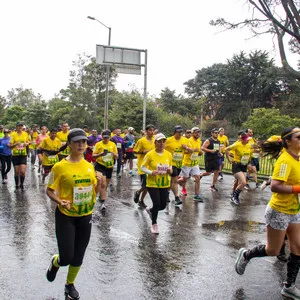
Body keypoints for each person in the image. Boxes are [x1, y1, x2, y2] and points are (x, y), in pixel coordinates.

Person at [234, 126, 300, 299]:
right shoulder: (285, 160)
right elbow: (275, 186)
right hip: (279, 211)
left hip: (294, 210)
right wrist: (298, 188)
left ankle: (289, 286)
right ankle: (246, 254)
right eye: (299, 137)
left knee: (298, 247)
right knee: (273, 250)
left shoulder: (297, 158)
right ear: (288, 141)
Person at [46, 128, 102, 300]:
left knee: (78, 255)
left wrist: (100, 183)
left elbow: (94, 193)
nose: (81, 145)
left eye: (83, 141)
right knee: (67, 257)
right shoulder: (60, 166)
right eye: (77, 141)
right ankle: (56, 261)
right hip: (66, 216)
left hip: (86, 216)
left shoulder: (89, 166)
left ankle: (69, 284)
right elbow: (49, 190)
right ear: (69, 144)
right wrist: (59, 201)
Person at [141, 133, 172, 234]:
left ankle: (151, 211)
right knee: (157, 203)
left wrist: (169, 170)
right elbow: (142, 167)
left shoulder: (168, 154)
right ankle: (154, 225)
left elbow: (170, 167)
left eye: (163, 141)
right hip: (152, 183)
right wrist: (151, 172)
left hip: (164, 183)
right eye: (159, 141)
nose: (162, 143)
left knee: (162, 205)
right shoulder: (150, 154)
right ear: (155, 143)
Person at [93, 130, 118, 210]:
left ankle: (101, 196)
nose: (106, 139)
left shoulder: (113, 144)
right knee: (102, 183)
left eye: (107, 137)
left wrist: (114, 154)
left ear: (110, 137)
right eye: (104, 138)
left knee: (105, 185)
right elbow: (93, 156)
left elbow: (117, 156)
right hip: (100, 166)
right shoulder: (98, 144)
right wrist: (101, 154)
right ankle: (103, 202)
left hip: (109, 166)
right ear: (102, 137)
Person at [165, 125, 190, 205]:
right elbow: (162, 148)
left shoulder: (185, 140)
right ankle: (176, 198)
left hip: (179, 163)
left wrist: (187, 148)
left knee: (172, 181)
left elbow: (191, 151)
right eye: (178, 132)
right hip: (171, 163)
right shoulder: (168, 140)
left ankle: (166, 193)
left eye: (180, 132)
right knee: (175, 180)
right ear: (174, 132)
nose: (179, 133)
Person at [225, 132, 252, 205]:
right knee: (243, 182)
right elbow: (226, 149)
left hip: (244, 166)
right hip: (236, 165)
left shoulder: (248, 145)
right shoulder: (237, 145)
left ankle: (233, 195)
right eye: (246, 139)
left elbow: (253, 150)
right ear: (242, 140)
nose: (248, 140)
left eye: (248, 139)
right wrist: (229, 159)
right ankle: (235, 197)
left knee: (239, 183)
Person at [177, 126, 203, 201]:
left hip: (195, 163)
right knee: (185, 179)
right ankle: (172, 184)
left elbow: (199, 151)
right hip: (186, 163)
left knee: (197, 178)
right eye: (196, 132)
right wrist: (191, 150)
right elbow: (184, 151)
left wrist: (200, 152)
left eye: (199, 132)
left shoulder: (199, 141)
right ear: (192, 133)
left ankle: (197, 195)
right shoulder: (188, 141)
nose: (198, 134)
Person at [133, 124, 155, 208]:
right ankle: (138, 192)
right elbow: (134, 151)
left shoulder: (155, 139)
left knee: (148, 186)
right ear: (146, 131)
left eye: (153, 130)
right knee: (146, 185)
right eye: (150, 130)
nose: (152, 132)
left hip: (152, 164)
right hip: (143, 165)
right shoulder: (141, 141)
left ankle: (141, 200)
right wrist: (142, 152)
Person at [8, 122, 30, 190]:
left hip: (23, 155)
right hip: (15, 155)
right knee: (16, 172)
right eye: (19, 126)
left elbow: (29, 141)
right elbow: (9, 145)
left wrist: (26, 143)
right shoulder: (13, 135)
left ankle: (22, 184)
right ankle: (17, 184)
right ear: (16, 127)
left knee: (23, 172)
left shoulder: (25, 134)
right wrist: (15, 144)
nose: (20, 127)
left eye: (21, 126)